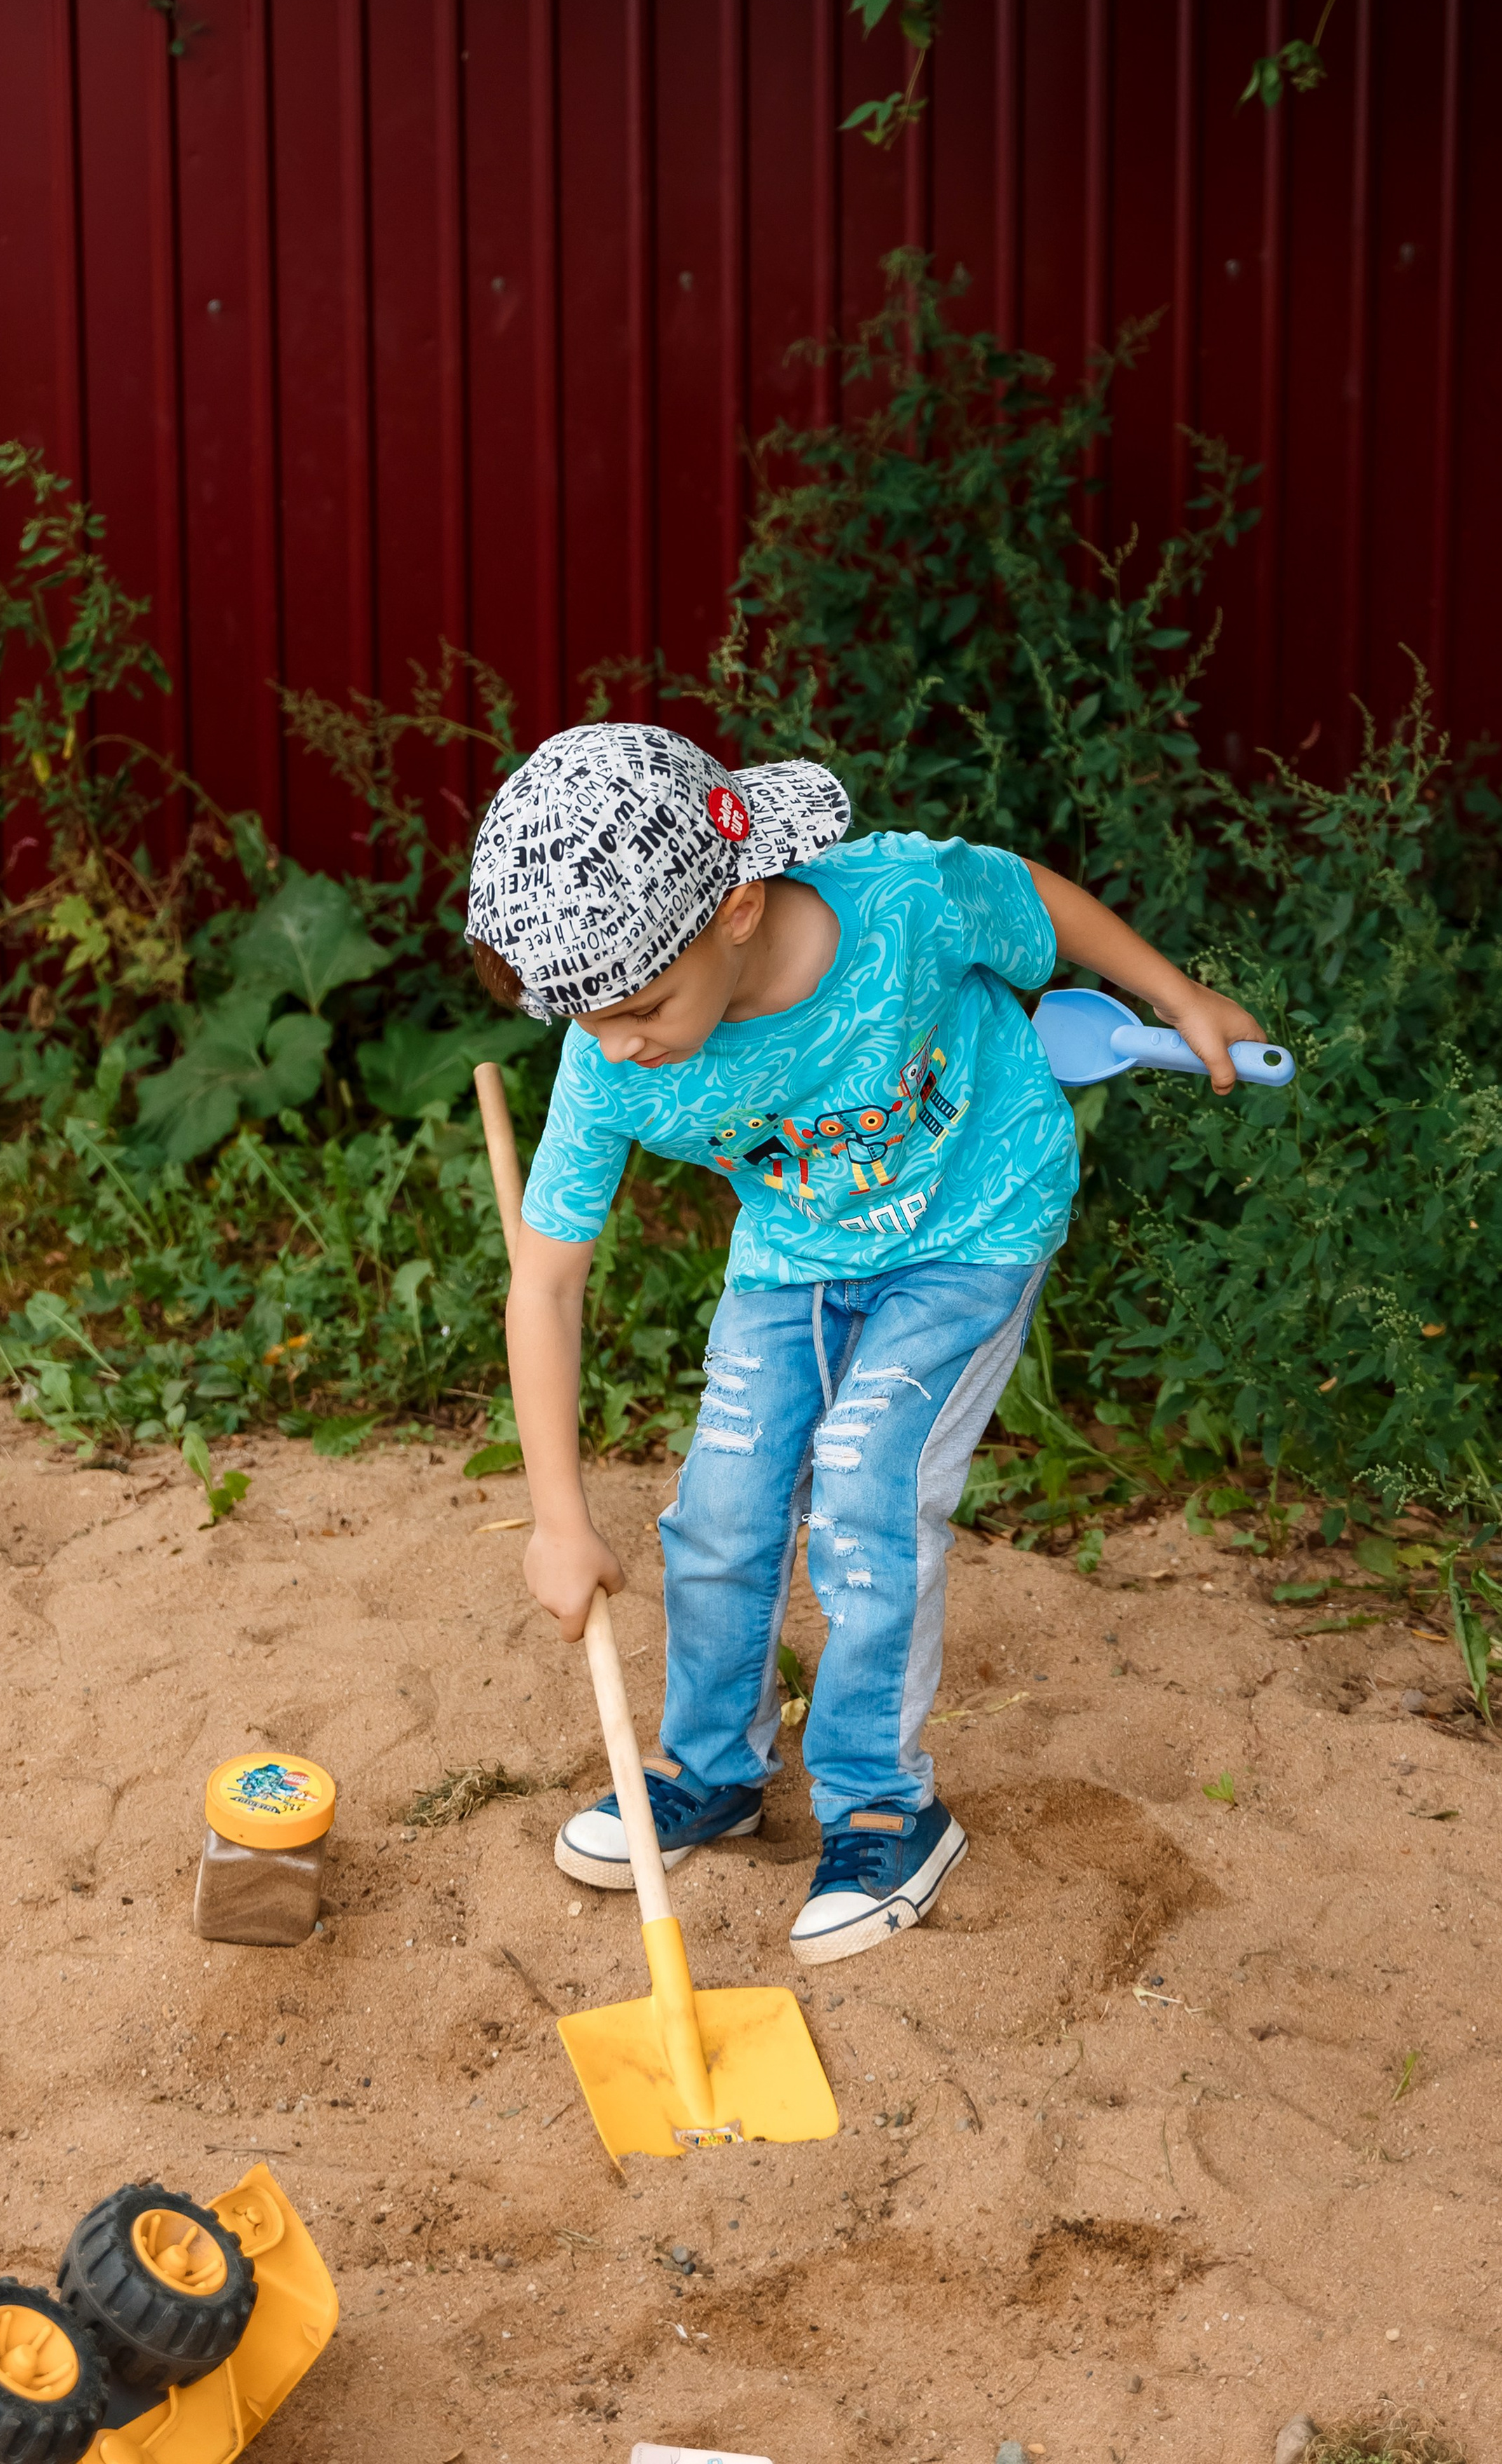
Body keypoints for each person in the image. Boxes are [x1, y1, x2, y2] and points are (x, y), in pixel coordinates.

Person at [464, 724, 1266, 1966]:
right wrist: (559, 1520)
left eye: (640, 1008)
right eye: (585, 1016)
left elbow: (1033, 901)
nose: (614, 1042)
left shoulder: (901, 904)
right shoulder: (611, 1060)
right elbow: (547, 1283)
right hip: (796, 1251)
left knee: (867, 1486)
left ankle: (884, 1807)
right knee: (723, 1504)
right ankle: (710, 1772)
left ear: (736, 911)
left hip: (975, 1223)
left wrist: (1178, 996)